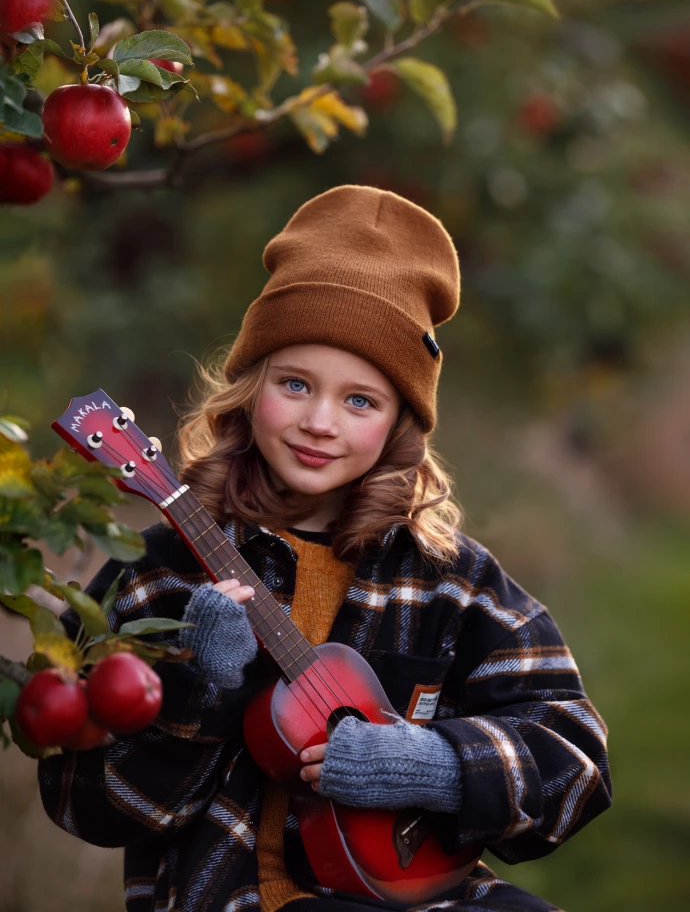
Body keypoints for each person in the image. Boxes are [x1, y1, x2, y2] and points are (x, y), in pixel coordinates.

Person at [38, 185, 612, 912]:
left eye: (359, 400)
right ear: (250, 389)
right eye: (296, 384)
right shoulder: (160, 576)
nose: (319, 422)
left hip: (414, 894)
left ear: (402, 422)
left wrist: (438, 766)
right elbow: (89, 806)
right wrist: (196, 690)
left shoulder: (448, 583)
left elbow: (578, 759)